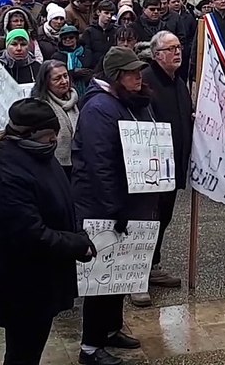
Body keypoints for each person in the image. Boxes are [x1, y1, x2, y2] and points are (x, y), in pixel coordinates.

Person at [0, 99, 97, 365]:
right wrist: (77, 244)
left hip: (43, 278)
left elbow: (60, 201)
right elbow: (29, 233)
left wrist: (77, 232)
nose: (54, 140)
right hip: (23, 284)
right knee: (23, 353)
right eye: (49, 135)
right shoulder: (7, 169)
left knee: (31, 347)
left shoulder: (38, 154)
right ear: (28, 134)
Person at [70, 47, 157, 364]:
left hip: (126, 199)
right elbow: (100, 165)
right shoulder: (99, 108)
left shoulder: (128, 102)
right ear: (116, 76)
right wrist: (113, 208)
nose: (138, 77)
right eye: (131, 73)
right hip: (102, 204)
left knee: (121, 271)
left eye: (139, 71)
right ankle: (90, 347)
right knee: (102, 276)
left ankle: (111, 328)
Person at [132, 31, 191, 307]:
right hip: (151, 167)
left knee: (163, 218)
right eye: (170, 49)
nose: (177, 52)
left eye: (178, 47)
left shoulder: (178, 81)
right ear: (157, 55)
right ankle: (136, 277)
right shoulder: (146, 81)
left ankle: (152, 265)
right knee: (146, 220)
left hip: (173, 166)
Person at [29, 61, 79, 176]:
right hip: (52, 165)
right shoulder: (40, 106)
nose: (64, 81)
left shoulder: (75, 101)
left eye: (65, 76)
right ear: (46, 82)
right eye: (57, 79)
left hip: (77, 162)